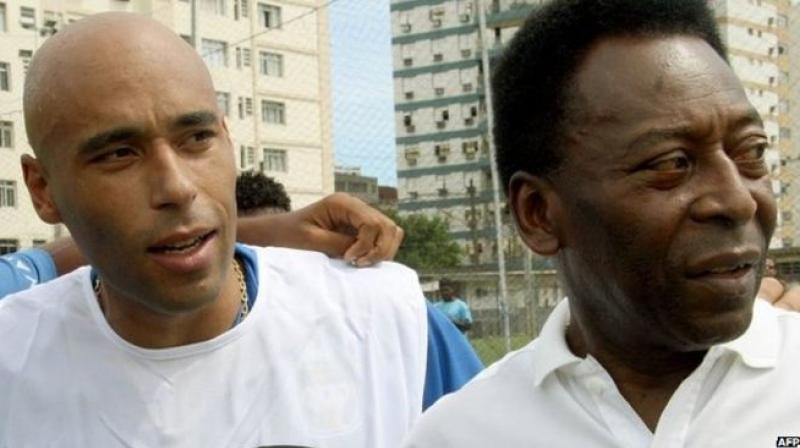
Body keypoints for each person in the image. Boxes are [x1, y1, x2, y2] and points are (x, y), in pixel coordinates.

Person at [0, 13, 481, 447]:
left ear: (228, 139)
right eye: (118, 153)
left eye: (197, 138)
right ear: (42, 190)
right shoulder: (12, 361)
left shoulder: (385, 321)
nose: (177, 186)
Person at [404, 1, 800, 446]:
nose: (737, 200)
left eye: (751, 151)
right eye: (672, 162)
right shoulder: (461, 435)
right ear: (538, 213)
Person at [0, 193, 403, 299]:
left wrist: (278, 232)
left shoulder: (386, 305)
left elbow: (60, 260)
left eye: (197, 138)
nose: (176, 187)